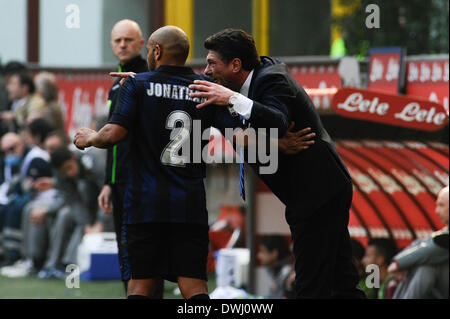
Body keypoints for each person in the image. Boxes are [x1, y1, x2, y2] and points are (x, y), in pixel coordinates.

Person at [188, 28, 365, 298]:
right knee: (341, 280)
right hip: (316, 191)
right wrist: (142, 79)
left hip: (318, 191)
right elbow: (189, 84)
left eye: (212, 63)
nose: (207, 71)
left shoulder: (273, 80)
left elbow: (277, 120)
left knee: (310, 283)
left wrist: (232, 99)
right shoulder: (244, 83)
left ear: (236, 65)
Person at [73, 26, 244, 299]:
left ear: (156, 50)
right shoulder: (203, 89)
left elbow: (112, 135)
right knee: (194, 287)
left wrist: (90, 138)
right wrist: (281, 143)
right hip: (189, 205)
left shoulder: (136, 84)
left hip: (145, 205)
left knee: (140, 285)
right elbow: (242, 138)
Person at [96, 19, 155, 296]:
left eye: (128, 40)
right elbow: (112, 137)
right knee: (125, 252)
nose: (122, 45)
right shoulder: (115, 82)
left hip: (141, 181)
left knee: (141, 253)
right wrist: (108, 181)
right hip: (119, 182)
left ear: (141, 44)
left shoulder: (145, 79)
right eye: (118, 40)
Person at [389, 186, 449, 299]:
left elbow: (433, 247)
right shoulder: (442, 234)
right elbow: (420, 245)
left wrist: (398, 264)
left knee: (427, 266)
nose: (436, 211)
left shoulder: (443, 240)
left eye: (441, 205)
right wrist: (399, 263)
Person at [257, 234, 294, 299]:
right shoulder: (275, 269)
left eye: (263, 251)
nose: (259, 255)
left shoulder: (289, 274)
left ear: (274, 253)